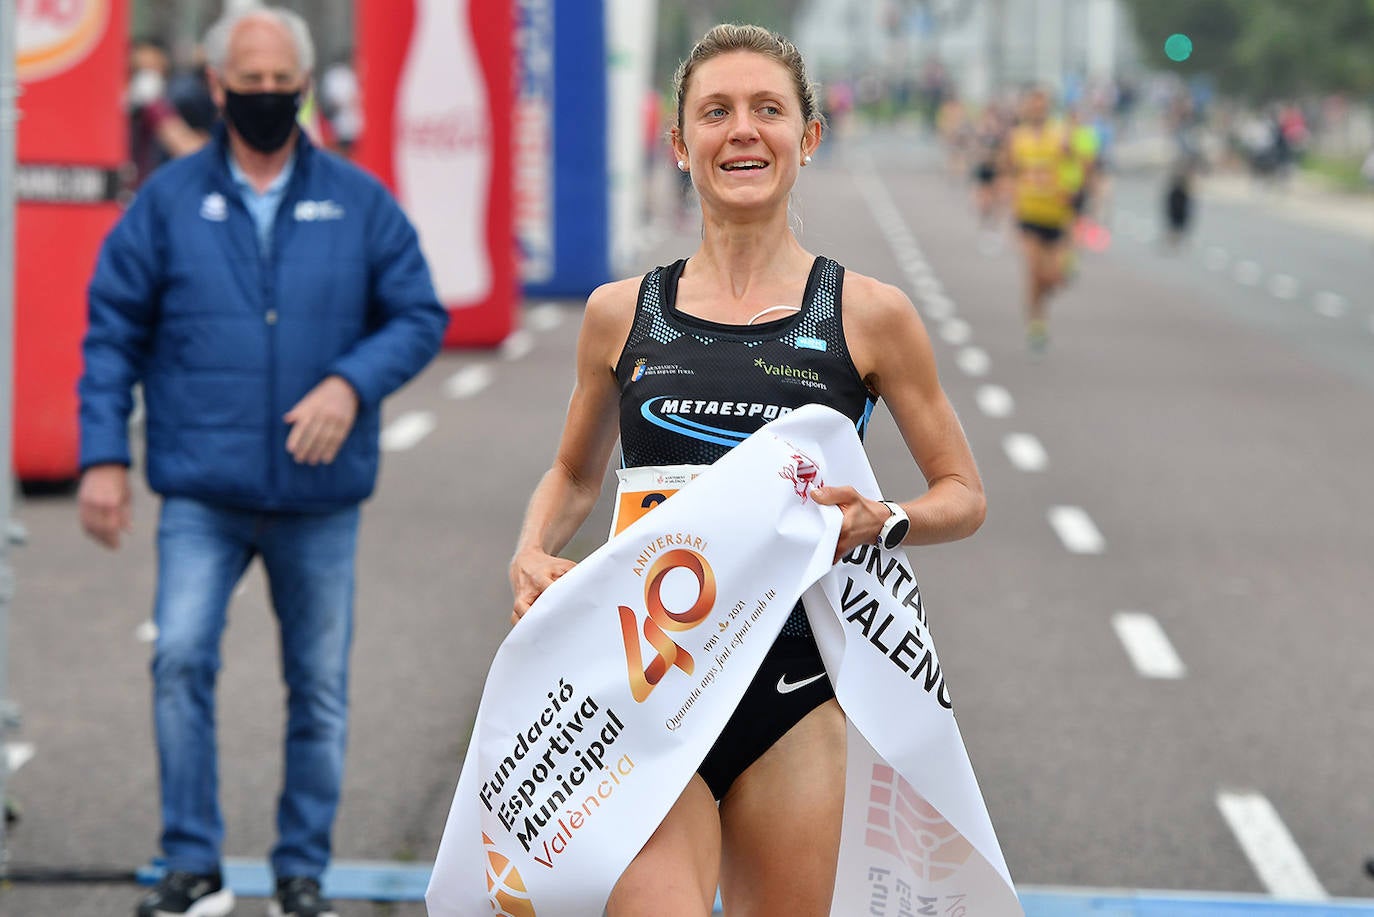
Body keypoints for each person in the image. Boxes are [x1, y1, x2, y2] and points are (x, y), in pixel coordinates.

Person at [507, 24, 985, 917]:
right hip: (647, 686)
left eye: (769, 110)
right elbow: (574, 476)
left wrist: (883, 517)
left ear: (807, 137)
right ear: (680, 144)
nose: (743, 131)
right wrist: (532, 548)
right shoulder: (621, 313)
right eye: (716, 112)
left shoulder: (870, 316)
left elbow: (964, 494)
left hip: (793, 692)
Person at [77, 8, 449, 917]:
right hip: (201, 490)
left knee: (317, 689)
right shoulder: (165, 202)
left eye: (286, 85)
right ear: (215, 88)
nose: (270, 99)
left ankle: (301, 872)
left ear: (306, 86)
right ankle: (193, 861)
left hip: (319, 497)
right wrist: (100, 459)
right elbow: (111, 334)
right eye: (251, 85)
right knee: (181, 661)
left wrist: (349, 385)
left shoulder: (360, 202)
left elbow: (418, 314)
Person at [1000, 85, 1074, 353]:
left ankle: (1050, 286)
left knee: (1052, 277)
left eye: (1041, 104)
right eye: (1032, 104)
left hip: (1056, 214)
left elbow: (1076, 167)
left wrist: (1072, 191)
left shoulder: (1061, 135)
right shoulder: (1016, 138)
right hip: (1029, 214)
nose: (1036, 109)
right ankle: (1037, 324)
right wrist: (1009, 200)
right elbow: (1007, 171)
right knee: (1033, 273)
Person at [127, 37, 209, 189]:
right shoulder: (124, 104)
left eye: (153, 69)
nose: (146, 77)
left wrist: (155, 107)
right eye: (138, 70)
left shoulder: (183, 98)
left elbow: (190, 149)